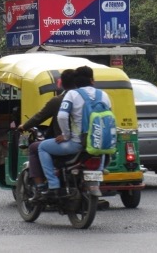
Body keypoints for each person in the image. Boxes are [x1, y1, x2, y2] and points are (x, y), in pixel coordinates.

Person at [37, 66, 111, 199]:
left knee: (42, 147)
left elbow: (62, 116)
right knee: (100, 153)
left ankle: (53, 185)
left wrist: (66, 135)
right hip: (99, 144)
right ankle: (96, 182)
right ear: (92, 80)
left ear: (76, 82)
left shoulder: (72, 94)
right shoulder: (104, 95)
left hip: (77, 144)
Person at [18, 69, 77, 197]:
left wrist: (24, 126)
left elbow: (39, 117)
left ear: (60, 83)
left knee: (36, 147)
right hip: (87, 142)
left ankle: (46, 185)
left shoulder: (58, 101)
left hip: (68, 143)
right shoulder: (86, 99)